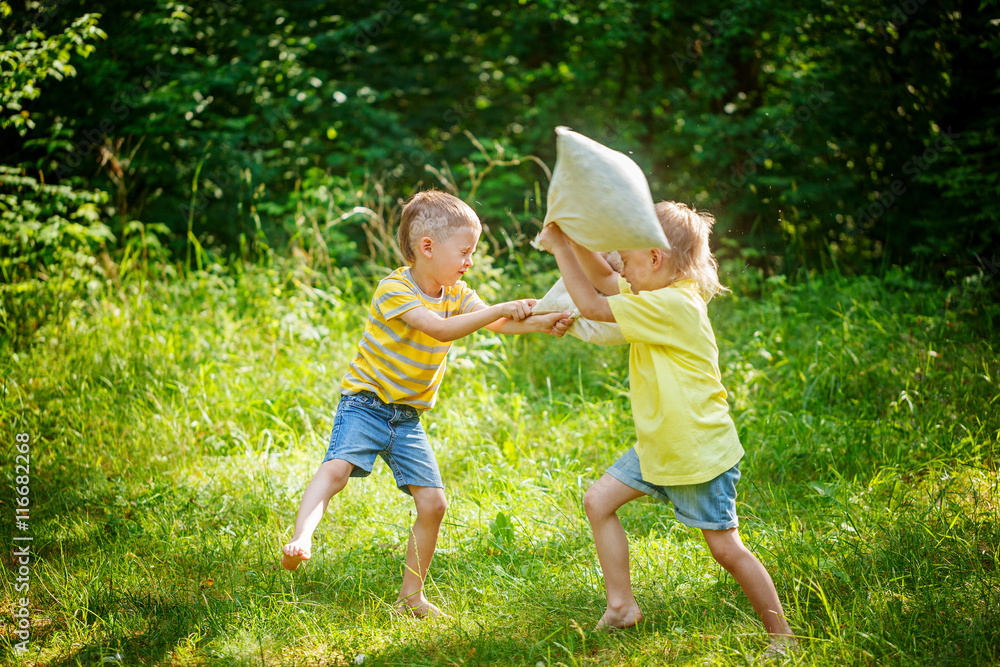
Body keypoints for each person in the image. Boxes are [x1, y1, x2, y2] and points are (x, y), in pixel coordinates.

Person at [281, 190, 572, 618]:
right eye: (464, 251)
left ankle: (411, 598)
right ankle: (302, 537)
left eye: (472, 252)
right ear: (427, 247)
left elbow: (499, 324)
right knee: (337, 469)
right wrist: (502, 307)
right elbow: (440, 329)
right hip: (365, 404)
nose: (470, 261)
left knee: (434, 504)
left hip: (407, 418)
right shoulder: (394, 289)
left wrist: (545, 322)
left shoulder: (457, 292)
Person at [534, 201, 797, 656]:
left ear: (655, 258)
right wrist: (574, 239)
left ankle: (783, 637)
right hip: (660, 444)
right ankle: (621, 607)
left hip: (696, 452)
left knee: (726, 550)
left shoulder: (672, 304)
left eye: (628, 260)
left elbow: (593, 304)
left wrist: (559, 248)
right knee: (598, 502)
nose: (623, 270)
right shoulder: (657, 290)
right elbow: (603, 280)